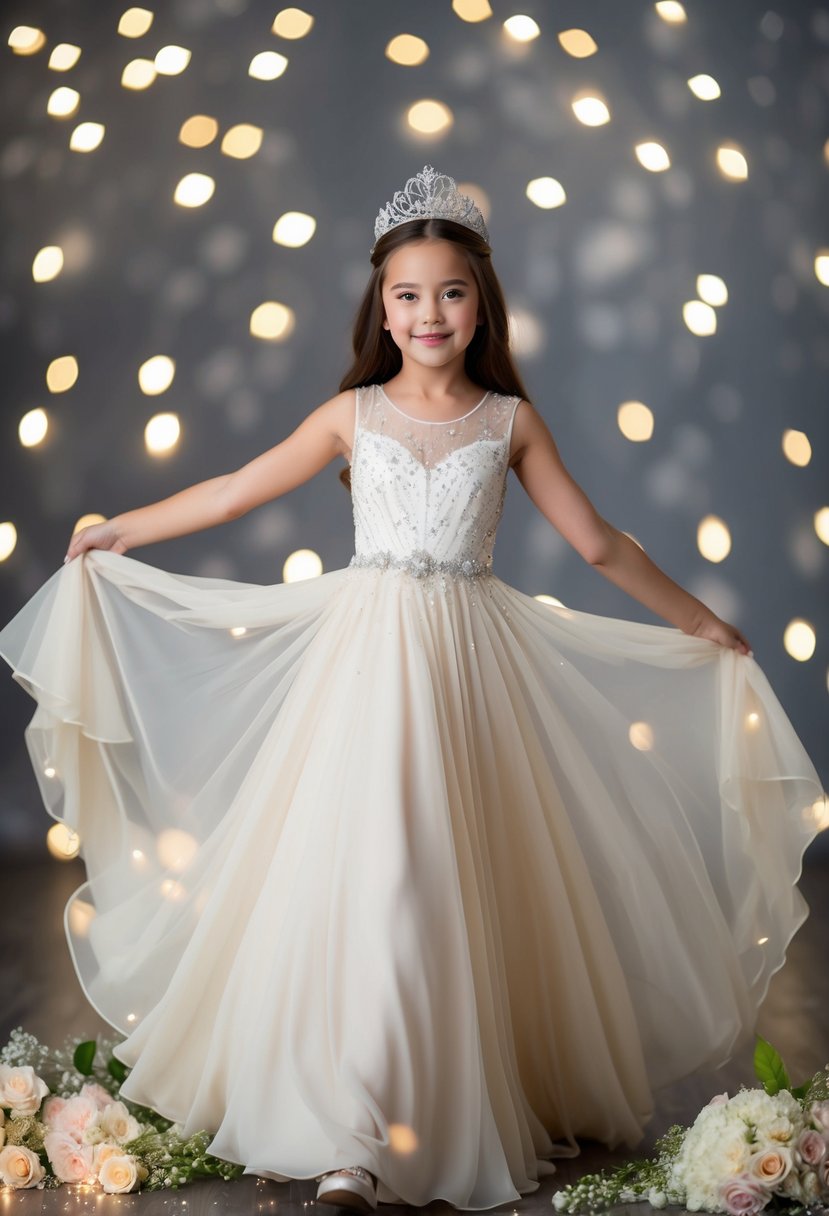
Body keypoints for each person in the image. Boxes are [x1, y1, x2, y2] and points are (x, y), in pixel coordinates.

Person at [0, 166, 823, 1213]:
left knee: (446, 885)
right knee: (367, 878)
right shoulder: (351, 414)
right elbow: (234, 485)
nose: (428, 313)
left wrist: (698, 621)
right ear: (378, 308)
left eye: (449, 292)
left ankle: (446, 1100)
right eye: (406, 294)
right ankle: (349, 1127)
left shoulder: (506, 421)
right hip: (361, 670)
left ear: (481, 304)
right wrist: (128, 527)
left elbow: (597, 543)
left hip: (469, 676)